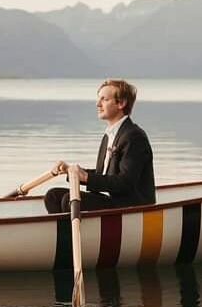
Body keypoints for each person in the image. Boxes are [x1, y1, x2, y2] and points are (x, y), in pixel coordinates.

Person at [43, 79, 156, 214]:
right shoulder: (109, 135)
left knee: (69, 199)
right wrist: (72, 172)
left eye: (104, 99)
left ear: (121, 103)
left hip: (131, 206)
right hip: (113, 200)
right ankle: (65, 233)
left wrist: (87, 177)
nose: (98, 104)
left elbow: (126, 182)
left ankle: (75, 233)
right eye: (99, 99)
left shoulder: (134, 136)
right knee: (53, 196)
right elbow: (104, 174)